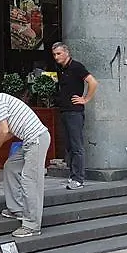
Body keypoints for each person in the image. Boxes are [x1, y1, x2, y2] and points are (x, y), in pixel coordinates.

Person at [0, 87, 50, 238]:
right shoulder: (0, 101)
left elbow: (4, 130)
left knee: (30, 181)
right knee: (11, 167)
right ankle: (17, 209)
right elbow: (11, 131)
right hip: (29, 142)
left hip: (36, 140)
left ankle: (32, 225)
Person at [51, 42, 97, 190]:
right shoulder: (61, 69)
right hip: (65, 110)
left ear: (66, 53)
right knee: (70, 146)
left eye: (58, 53)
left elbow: (93, 82)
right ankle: (73, 176)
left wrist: (85, 99)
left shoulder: (76, 66)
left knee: (76, 145)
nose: (56, 57)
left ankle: (79, 178)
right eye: (54, 54)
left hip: (74, 111)